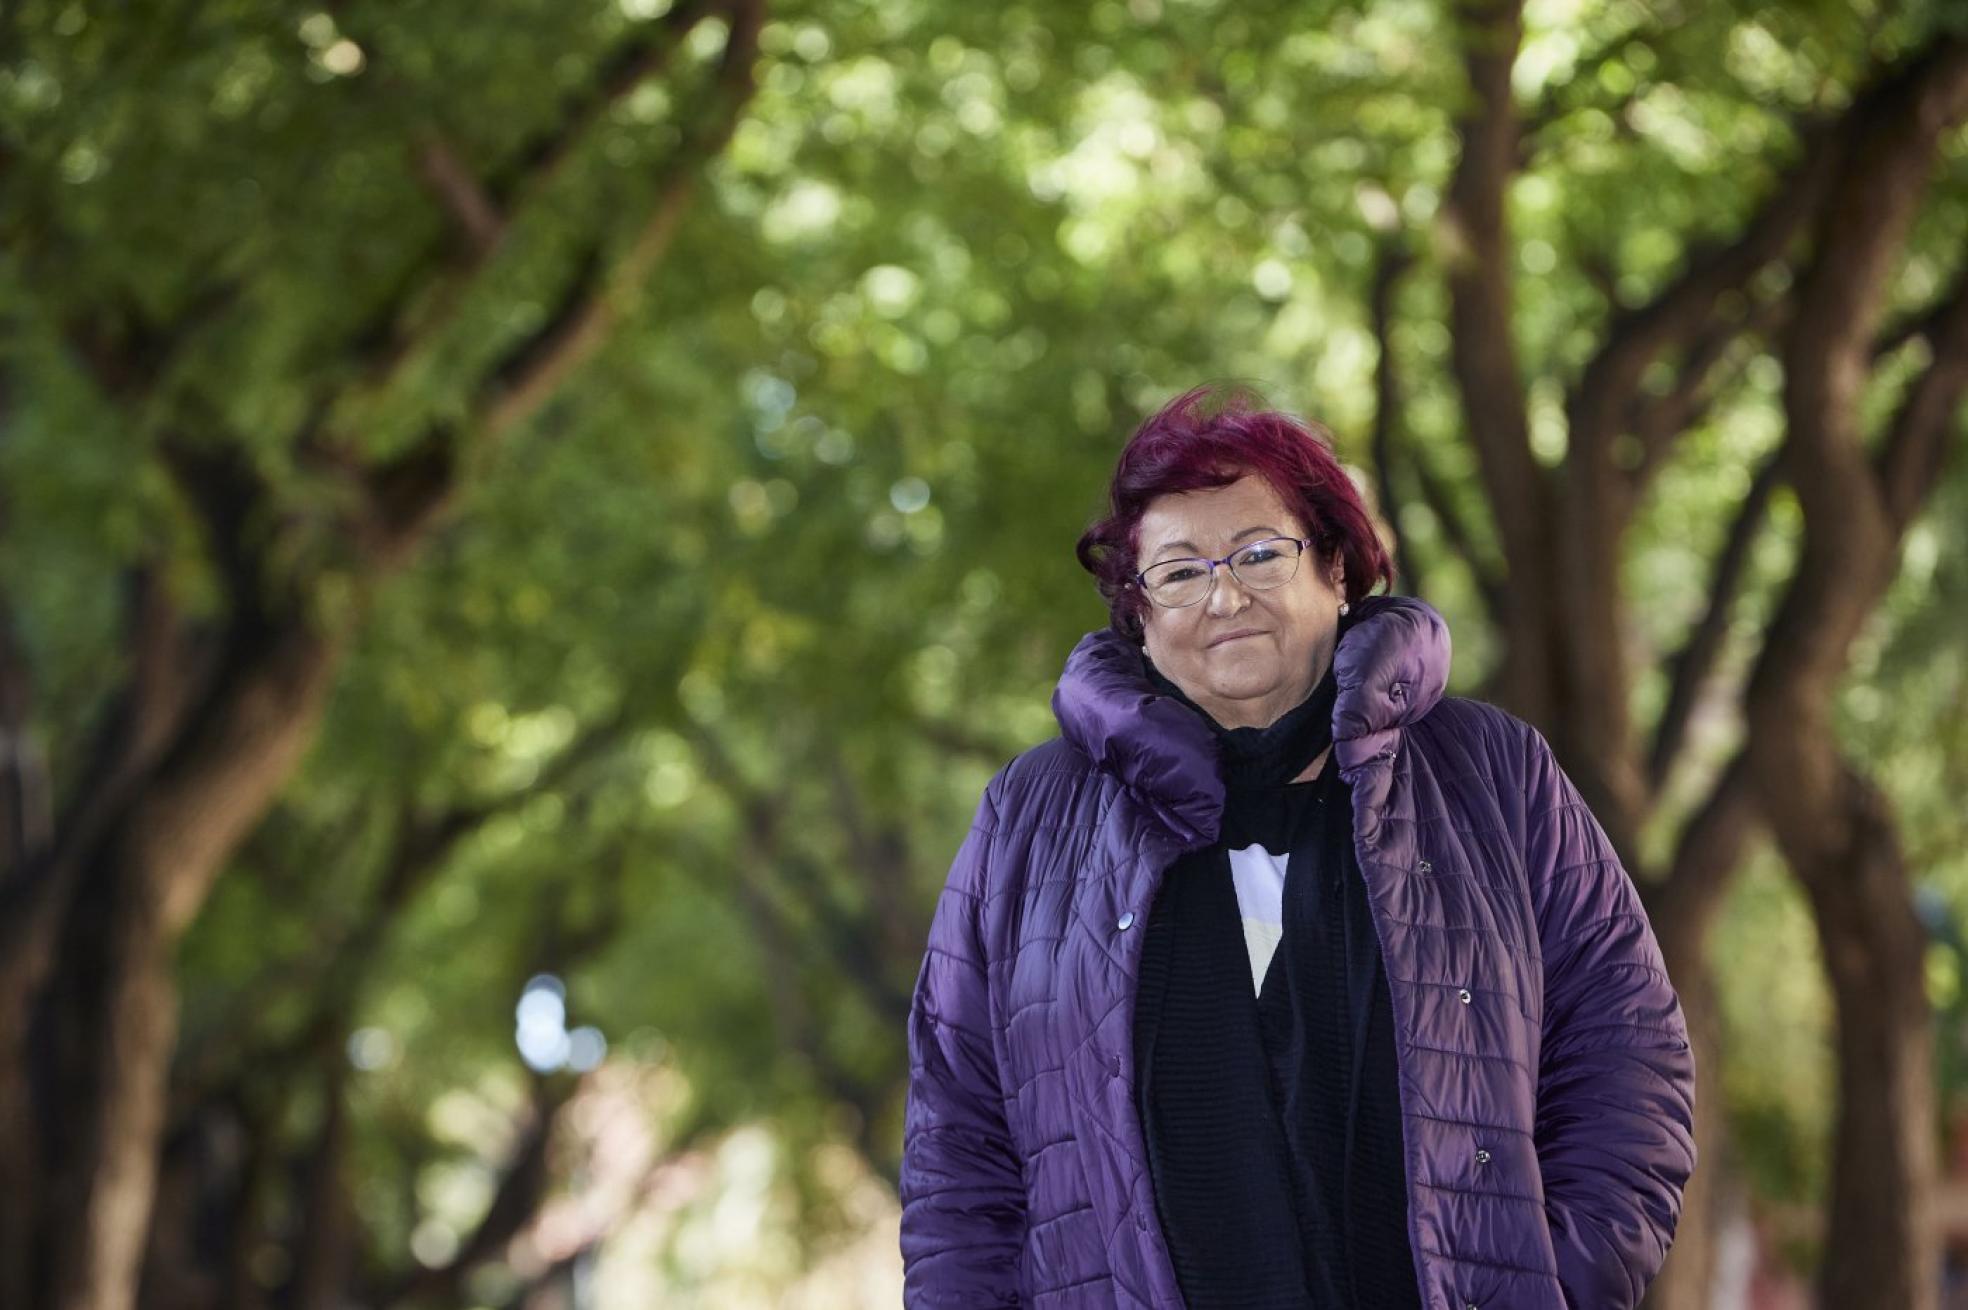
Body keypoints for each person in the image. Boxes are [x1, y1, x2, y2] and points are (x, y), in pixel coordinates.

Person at [897, 386, 1696, 1309]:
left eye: (1259, 553)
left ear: (1338, 570)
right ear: (1141, 613)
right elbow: (958, 1143)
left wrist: (1552, 1280)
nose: (1224, 595)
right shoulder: (1031, 816)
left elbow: (1626, 1051)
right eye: (1180, 571)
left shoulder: (1491, 772)